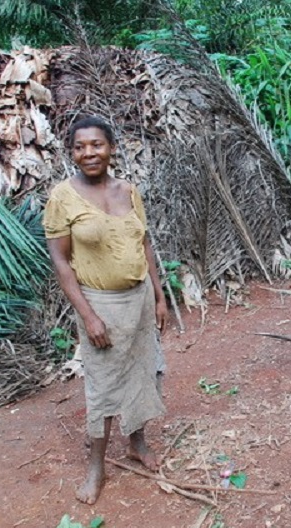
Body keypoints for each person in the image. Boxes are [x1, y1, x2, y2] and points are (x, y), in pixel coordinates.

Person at [43, 116, 168, 505]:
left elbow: (144, 244)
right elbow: (62, 265)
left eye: (96, 144)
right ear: (73, 152)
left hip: (140, 298)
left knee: (141, 371)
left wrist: (160, 295)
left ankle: (137, 442)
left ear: (111, 147)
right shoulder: (62, 197)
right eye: (80, 146)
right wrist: (89, 316)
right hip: (100, 304)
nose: (88, 153)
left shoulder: (128, 191)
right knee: (102, 387)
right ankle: (96, 467)